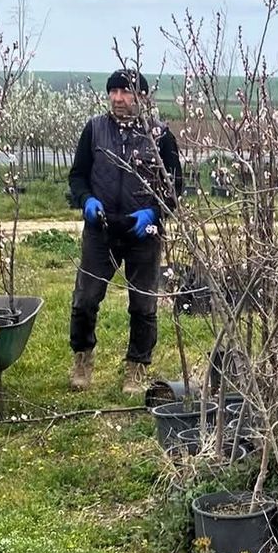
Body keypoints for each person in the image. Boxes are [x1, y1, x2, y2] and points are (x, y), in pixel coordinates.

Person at [67, 69, 182, 394]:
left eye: (126, 92)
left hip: (143, 232)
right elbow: (78, 175)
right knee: (86, 299)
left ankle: (136, 368)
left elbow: (175, 186)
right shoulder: (94, 130)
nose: (118, 98)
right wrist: (86, 200)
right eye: (113, 92)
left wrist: (154, 213)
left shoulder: (160, 136)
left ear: (142, 97)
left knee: (143, 304)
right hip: (101, 229)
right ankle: (82, 359)